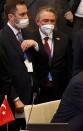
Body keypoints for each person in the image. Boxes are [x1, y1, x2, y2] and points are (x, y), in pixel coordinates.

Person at [0, 0, 38, 130]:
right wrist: (15, 98)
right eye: (22, 15)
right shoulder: (2, 38)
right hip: (14, 99)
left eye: (27, 14)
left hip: (31, 94)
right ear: (11, 17)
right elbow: (3, 74)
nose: (26, 18)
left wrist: (35, 44)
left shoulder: (28, 33)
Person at [29, 6, 72, 103]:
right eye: (45, 21)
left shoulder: (64, 39)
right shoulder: (30, 39)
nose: (49, 24)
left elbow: (69, 66)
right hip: (39, 89)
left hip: (60, 88)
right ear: (37, 22)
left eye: (52, 21)